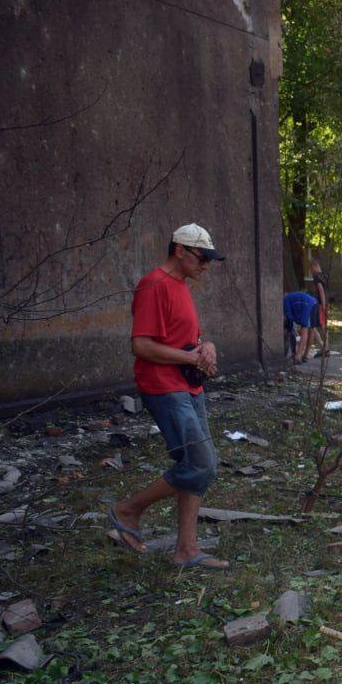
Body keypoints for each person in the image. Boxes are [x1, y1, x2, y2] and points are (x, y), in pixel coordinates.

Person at [108, 224, 227, 570]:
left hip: (189, 385)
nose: (206, 266)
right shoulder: (154, 285)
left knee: (194, 464)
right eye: (202, 258)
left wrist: (206, 346)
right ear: (180, 250)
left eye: (210, 260)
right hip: (164, 386)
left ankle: (186, 549)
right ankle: (128, 509)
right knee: (201, 464)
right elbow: (141, 345)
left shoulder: (181, 287)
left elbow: (184, 336)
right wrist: (192, 358)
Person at [282, 289, 319, 363]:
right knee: (311, 330)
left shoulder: (285, 300)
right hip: (314, 303)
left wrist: (288, 329)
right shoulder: (291, 297)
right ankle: (305, 355)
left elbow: (289, 316)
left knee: (304, 328)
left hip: (307, 305)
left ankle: (298, 357)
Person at [308, 259, 330, 355]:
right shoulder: (324, 275)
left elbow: (321, 291)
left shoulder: (316, 277)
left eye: (311, 268)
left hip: (321, 304)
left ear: (314, 266)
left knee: (312, 324)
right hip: (326, 303)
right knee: (323, 326)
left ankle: (323, 347)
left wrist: (323, 306)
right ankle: (326, 347)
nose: (311, 270)